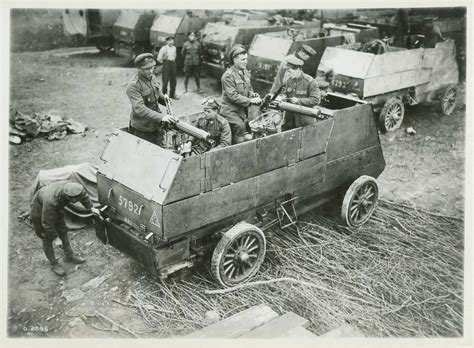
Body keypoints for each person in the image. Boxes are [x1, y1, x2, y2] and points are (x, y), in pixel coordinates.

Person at [30, 181, 96, 276]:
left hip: (57, 207)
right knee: (46, 237)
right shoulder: (51, 201)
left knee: (62, 230)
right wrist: (56, 238)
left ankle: (69, 256)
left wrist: (91, 208)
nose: (77, 201)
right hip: (39, 210)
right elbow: (46, 222)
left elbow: (84, 196)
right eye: (75, 200)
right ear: (68, 197)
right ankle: (54, 264)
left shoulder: (75, 189)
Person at [126, 53, 177, 146]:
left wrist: (164, 99)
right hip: (142, 128)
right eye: (146, 69)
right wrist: (161, 117)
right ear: (139, 68)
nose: (150, 71)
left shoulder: (152, 77)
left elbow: (156, 93)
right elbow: (139, 109)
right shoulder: (133, 85)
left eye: (152, 68)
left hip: (156, 125)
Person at [220, 44, 262, 144]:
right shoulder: (228, 76)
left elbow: (248, 88)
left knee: (255, 124)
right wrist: (250, 100)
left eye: (246, 59)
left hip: (242, 111)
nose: (246, 62)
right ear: (235, 60)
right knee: (240, 126)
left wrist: (252, 94)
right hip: (230, 111)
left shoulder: (245, 72)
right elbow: (233, 96)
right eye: (243, 59)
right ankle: (236, 149)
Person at [282, 56, 321, 129]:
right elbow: (286, 93)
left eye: (290, 71)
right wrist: (284, 97)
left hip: (304, 122)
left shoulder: (310, 82)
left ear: (298, 69)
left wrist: (298, 100)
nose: (288, 74)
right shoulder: (289, 80)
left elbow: (316, 100)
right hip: (289, 121)